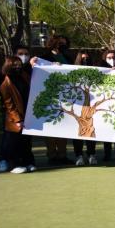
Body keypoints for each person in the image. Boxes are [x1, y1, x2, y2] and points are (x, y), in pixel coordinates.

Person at [0, 56, 36, 174]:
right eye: (15, 65)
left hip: (27, 113)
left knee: (26, 141)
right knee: (14, 142)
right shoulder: (5, 82)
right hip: (14, 118)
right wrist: (17, 119)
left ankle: (28, 162)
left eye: (19, 64)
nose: (18, 67)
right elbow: (8, 104)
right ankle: (14, 165)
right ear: (8, 65)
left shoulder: (24, 76)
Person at [42, 35, 71, 164]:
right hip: (49, 97)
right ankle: (52, 156)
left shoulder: (68, 57)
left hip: (65, 96)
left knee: (64, 127)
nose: (62, 46)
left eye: (64, 44)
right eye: (60, 43)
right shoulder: (45, 57)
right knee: (50, 127)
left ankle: (62, 155)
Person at [70, 50, 99, 166]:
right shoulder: (72, 72)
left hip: (90, 107)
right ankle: (79, 156)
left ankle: (92, 154)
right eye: (83, 59)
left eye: (87, 59)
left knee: (90, 131)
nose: (85, 61)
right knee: (77, 134)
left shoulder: (96, 72)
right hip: (77, 105)